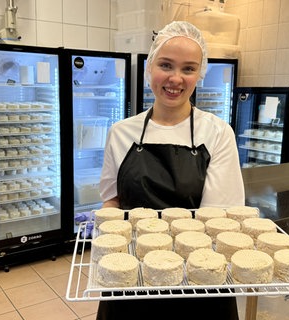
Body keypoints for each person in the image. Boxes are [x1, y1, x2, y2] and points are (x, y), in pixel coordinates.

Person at [97, 21, 245, 319]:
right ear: (149, 68)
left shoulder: (217, 133)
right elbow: (112, 201)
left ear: (199, 76)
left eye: (188, 69)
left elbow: (220, 219)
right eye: (166, 65)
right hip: (133, 275)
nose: (175, 78)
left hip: (199, 278)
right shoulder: (121, 132)